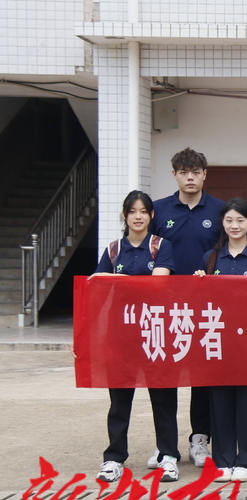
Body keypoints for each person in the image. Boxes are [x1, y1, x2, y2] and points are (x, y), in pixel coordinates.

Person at [94, 191, 180, 484]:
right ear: (125, 215)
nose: (138, 216)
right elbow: (97, 285)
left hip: (155, 331)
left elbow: (158, 284)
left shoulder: (161, 246)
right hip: (121, 334)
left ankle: (168, 456)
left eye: (144, 211)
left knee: (163, 397)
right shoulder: (113, 249)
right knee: (119, 400)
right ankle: (114, 458)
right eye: (133, 211)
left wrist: (117, 280)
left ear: (152, 215)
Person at [150, 148, 225, 470]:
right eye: (184, 172)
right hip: (164, 306)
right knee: (163, 373)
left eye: (195, 172)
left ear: (205, 174)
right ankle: (165, 445)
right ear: (174, 175)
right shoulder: (158, 210)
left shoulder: (220, 210)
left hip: (206, 307)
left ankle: (200, 438)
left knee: (202, 375)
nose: (190, 177)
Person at [194, 198, 247, 483]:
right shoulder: (211, 257)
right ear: (222, 223)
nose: (234, 225)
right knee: (220, 399)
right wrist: (198, 280)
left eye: (240, 220)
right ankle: (224, 459)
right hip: (219, 337)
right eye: (229, 220)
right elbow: (199, 300)